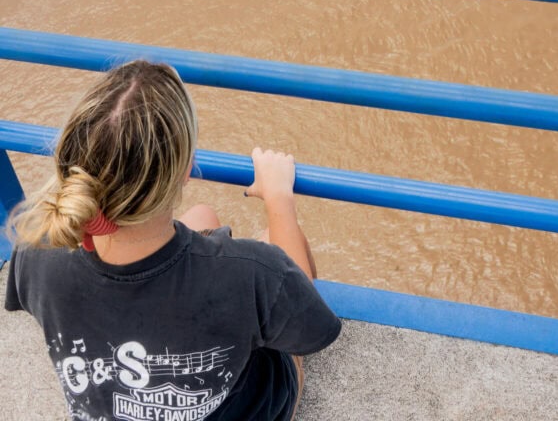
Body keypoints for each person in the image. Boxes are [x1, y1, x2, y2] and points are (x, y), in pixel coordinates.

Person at [4, 60, 341, 421]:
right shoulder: (255, 274)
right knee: (273, 240)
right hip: (245, 408)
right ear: (186, 169)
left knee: (202, 217)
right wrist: (279, 199)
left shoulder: (35, 248)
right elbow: (311, 327)